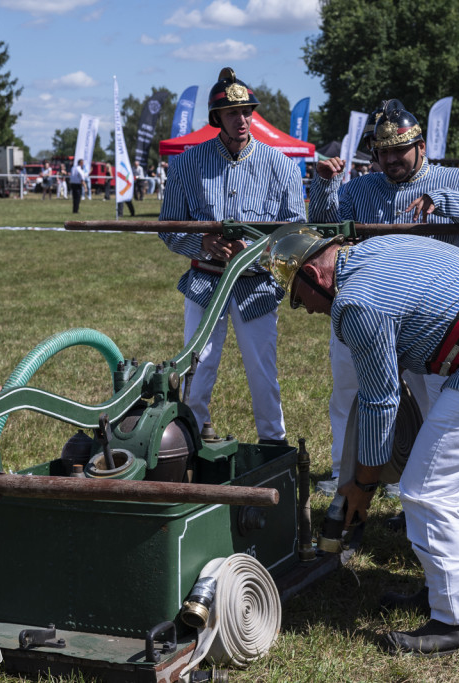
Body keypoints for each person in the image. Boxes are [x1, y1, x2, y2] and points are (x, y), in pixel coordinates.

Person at [263, 226, 459, 655]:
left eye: (296, 296)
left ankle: (458, 622)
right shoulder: (368, 252)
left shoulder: (356, 301)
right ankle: (445, 590)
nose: (304, 310)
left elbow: (381, 402)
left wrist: (363, 486)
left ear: (314, 274)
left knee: (426, 491)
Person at [308, 99, 459, 497]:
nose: (391, 159)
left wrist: (443, 203)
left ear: (421, 147)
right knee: (349, 391)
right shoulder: (361, 187)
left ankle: (421, 476)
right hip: (365, 310)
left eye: (400, 150)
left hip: (430, 317)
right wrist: (325, 183)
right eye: (384, 152)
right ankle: (346, 470)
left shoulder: (455, 179)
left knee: (433, 398)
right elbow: (323, 231)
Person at [158, 67, 304, 445]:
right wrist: (202, 243)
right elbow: (168, 227)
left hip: (256, 286)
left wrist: (257, 251)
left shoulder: (283, 166)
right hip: (206, 282)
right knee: (197, 369)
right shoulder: (187, 165)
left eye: (247, 111)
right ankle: (189, 444)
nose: (242, 120)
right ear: (216, 118)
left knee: (262, 371)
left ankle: (273, 445)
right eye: (233, 113)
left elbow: (297, 233)